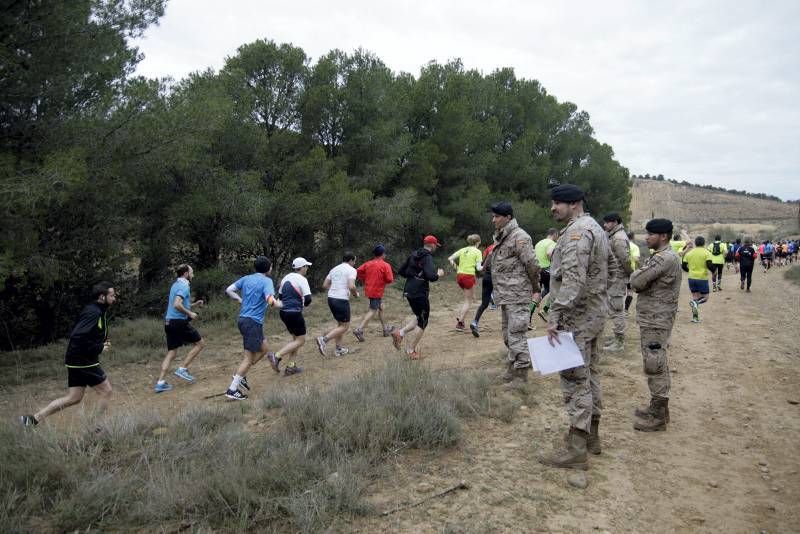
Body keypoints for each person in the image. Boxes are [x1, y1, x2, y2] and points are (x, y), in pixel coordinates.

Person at [539, 184, 608, 470]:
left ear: (575, 203)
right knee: (590, 375)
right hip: (592, 315)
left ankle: (577, 449)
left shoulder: (578, 232)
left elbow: (573, 279)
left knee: (575, 378)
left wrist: (555, 314)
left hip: (577, 317)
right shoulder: (594, 228)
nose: (553, 208)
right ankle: (591, 437)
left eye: (558, 203)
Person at [20, 283, 117, 426]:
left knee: (74, 398)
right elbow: (77, 336)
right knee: (106, 391)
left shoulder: (96, 310)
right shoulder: (93, 312)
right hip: (83, 361)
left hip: (76, 360)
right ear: (102, 297)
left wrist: (100, 342)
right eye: (112, 295)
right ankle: (96, 427)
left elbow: (87, 334)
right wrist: (99, 347)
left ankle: (32, 419)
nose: (115, 298)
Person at [628, 219, 682, 432]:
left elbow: (637, 281)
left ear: (663, 236)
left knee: (654, 363)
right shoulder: (663, 257)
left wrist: (635, 276)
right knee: (657, 361)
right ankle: (658, 408)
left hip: (656, 319)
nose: (646, 237)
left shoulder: (664, 259)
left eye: (651, 234)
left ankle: (658, 416)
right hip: (655, 318)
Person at [488, 202, 540, 385]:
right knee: (507, 335)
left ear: (508, 217)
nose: (493, 220)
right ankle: (513, 367)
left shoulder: (519, 237)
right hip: (505, 295)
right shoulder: (502, 237)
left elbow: (532, 264)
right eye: (493, 216)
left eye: (497, 216)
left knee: (517, 334)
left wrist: (536, 289)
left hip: (518, 295)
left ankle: (521, 374)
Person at [224, 256, 282, 400]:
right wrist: (280, 304)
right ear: (268, 268)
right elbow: (270, 300)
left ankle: (241, 376)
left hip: (244, 320)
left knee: (264, 349)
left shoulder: (246, 278)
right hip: (252, 322)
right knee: (248, 358)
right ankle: (232, 389)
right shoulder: (267, 281)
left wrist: (239, 299)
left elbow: (229, 290)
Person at [391, 235, 444, 359]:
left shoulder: (414, 254)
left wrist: (413, 275)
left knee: (418, 316)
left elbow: (401, 271)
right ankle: (411, 350)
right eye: (436, 245)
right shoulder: (427, 257)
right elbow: (431, 276)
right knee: (423, 321)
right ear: (432, 245)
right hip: (419, 292)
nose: (436, 247)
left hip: (409, 290)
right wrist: (439, 274)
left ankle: (400, 333)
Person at [155, 264, 205, 393]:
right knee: (200, 344)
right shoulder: (184, 286)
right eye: (192, 272)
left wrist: (194, 304)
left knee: (172, 352)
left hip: (169, 322)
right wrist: (190, 314)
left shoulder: (175, 285)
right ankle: (182, 369)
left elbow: (179, 304)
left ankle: (160, 383)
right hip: (179, 323)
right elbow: (177, 304)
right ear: (186, 274)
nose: (193, 275)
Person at [274, 257, 314, 376]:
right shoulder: (302, 279)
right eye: (306, 266)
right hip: (294, 313)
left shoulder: (286, 277)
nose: (307, 268)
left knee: (295, 340)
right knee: (301, 340)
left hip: (284, 313)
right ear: (301, 267)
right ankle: (277, 356)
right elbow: (308, 299)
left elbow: (280, 297)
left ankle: (291, 367)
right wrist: (303, 305)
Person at [316, 252, 359, 357]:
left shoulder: (334, 269)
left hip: (331, 298)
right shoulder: (352, 270)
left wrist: (336, 288)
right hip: (341, 299)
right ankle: (324, 340)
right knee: (345, 326)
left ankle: (339, 348)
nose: (354, 263)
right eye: (354, 261)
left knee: (340, 324)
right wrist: (355, 294)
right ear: (351, 260)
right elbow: (351, 286)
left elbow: (325, 285)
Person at [601, 213, 632, 352]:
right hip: (613, 276)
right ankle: (617, 338)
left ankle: (619, 342)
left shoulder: (618, 238)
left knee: (617, 309)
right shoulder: (613, 235)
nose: (604, 225)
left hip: (617, 277)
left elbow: (625, 260)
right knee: (613, 308)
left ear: (614, 222)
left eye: (607, 222)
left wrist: (630, 274)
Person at [352, 245, 395, 341]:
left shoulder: (367, 264)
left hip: (369, 289)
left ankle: (385, 329)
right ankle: (359, 329)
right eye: (385, 253)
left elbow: (356, 272)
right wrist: (382, 280)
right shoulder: (385, 265)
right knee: (372, 310)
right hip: (377, 291)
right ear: (383, 254)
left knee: (381, 308)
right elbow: (390, 279)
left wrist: (365, 278)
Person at [448, 234, 483, 332]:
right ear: (478, 242)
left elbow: (450, 258)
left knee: (469, 298)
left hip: (459, 276)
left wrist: (457, 268)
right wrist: (487, 266)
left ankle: (461, 321)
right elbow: (479, 268)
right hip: (468, 276)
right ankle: (460, 322)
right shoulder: (478, 251)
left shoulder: (463, 249)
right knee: (468, 301)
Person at [682, 236, 714, 323]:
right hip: (702, 278)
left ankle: (695, 317)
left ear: (695, 243)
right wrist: (714, 272)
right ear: (703, 243)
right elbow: (709, 265)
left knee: (695, 297)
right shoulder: (706, 253)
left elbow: (684, 266)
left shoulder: (689, 253)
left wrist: (690, 271)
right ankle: (695, 304)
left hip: (691, 278)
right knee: (705, 297)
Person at [530, 228, 558, 324]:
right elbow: (549, 253)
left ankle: (528, 319)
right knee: (557, 289)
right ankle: (545, 310)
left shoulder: (538, 243)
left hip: (536, 270)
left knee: (540, 292)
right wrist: (553, 262)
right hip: (546, 270)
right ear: (555, 234)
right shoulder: (552, 243)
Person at [470, 242, 496, 337]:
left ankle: (475, 322)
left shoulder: (489, 249)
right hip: (498, 278)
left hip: (487, 277)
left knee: (484, 303)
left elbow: (482, 264)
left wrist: (484, 270)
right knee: (506, 302)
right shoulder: (504, 247)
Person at [625, 231, 641, 314]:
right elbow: (636, 259)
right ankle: (625, 310)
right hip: (630, 272)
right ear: (633, 237)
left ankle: (614, 311)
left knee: (618, 292)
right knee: (630, 291)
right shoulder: (635, 247)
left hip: (619, 271)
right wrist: (640, 266)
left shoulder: (622, 245)